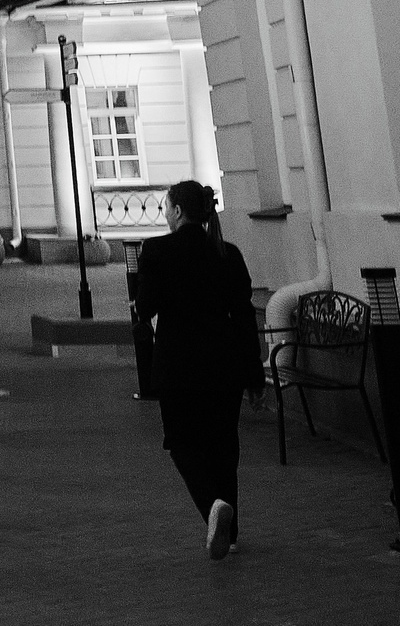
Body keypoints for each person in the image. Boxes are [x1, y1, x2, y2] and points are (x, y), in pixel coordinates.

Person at [136, 180, 262, 560]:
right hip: (225, 364)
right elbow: (244, 316)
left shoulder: (157, 250)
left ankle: (212, 508)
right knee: (224, 445)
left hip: (178, 365)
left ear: (176, 212)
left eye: (166, 207)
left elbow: (146, 306)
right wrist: (254, 374)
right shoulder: (228, 253)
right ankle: (231, 531)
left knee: (182, 443)